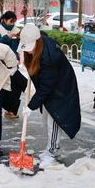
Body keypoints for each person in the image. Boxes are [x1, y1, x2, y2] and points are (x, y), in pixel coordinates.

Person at [19, 23, 81, 166]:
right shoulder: (38, 43)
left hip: (60, 89)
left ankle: (53, 151)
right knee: (45, 119)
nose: (28, 51)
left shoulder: (50, 57)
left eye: (30, 47)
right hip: (50, 87)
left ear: (37, 41)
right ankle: (51, 148)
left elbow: (46, 88)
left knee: (53, 121)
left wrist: (30, 106)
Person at [0, 10, 27, 119]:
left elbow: (18, 47)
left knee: (15, 87)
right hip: (2, 64)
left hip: (13, 63)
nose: (12, 24)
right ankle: (10, 110)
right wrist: (8, 37)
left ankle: (11, 111)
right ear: (4, 20)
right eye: (11, 21)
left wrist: (19, 38)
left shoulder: (16, 30)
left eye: (14, 22)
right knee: (16, 85)